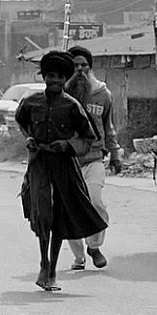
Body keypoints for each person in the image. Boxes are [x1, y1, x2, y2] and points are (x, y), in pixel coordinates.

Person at [16, 51, 106, 292]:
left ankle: (52, 268)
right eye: (51, 77)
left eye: (59, 78)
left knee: (58, 218)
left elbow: (88, 138)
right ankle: (43, 262)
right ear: (44, 77)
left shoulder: (72, 106)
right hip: (38, 165)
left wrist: (67, 145)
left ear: (65, 79)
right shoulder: (31, 102)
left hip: (64, 167)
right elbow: (21, 121)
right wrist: (29, 139)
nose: (55, 81)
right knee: (42, 215)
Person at [65, 45, 117, 270]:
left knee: (95, 202)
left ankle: (94, 246)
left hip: (94, 158)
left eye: (84, 65)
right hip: (67, 160)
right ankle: (78, 256)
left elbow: (108, 127)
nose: (80, 70)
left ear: (90, 67)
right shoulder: (62, 95)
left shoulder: (102, 94)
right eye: (75, 66)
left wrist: (115, 154)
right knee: (69, 209)